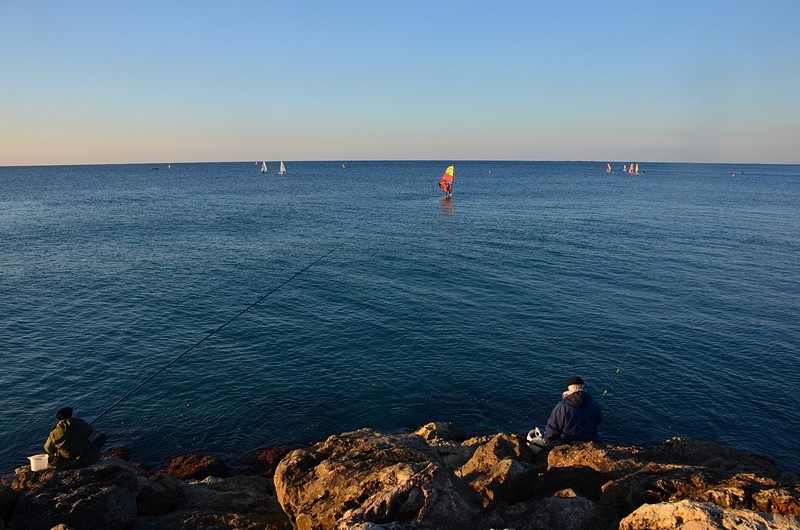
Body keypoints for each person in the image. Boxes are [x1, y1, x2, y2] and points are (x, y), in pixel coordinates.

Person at [544, 376, 603, 445]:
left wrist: (547, 439)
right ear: (582, 387)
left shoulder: (562, 406)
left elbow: (553, 427)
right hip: (590, 439)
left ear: (569, 389)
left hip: (567, 441)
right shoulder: (594, 403)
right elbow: (598, 421)